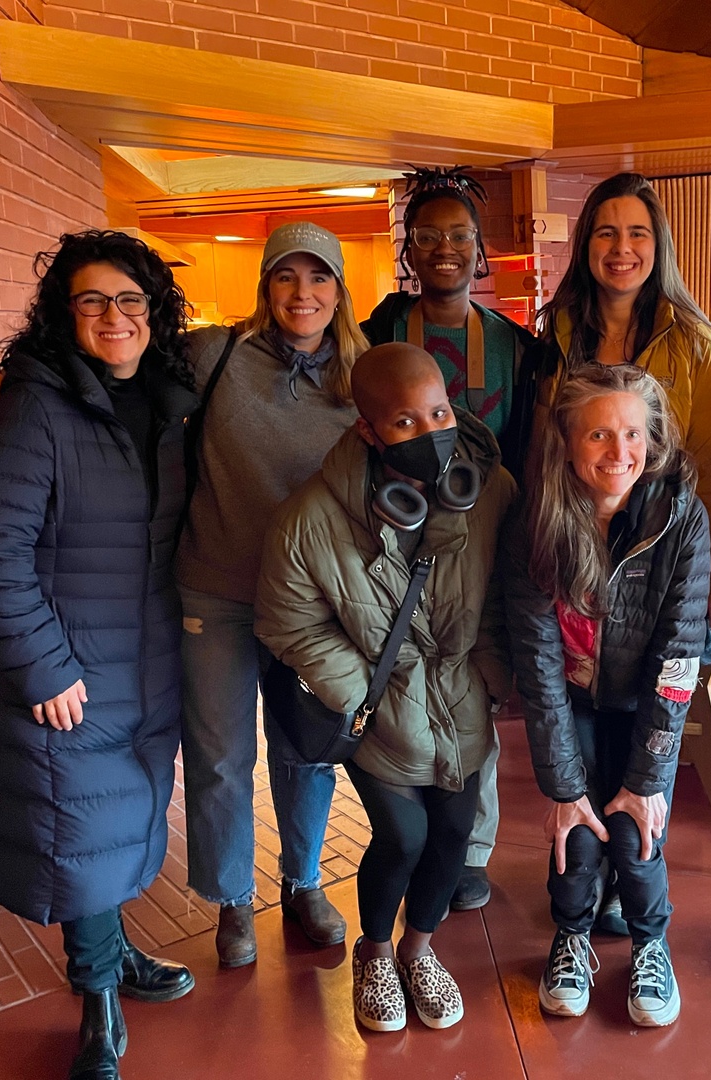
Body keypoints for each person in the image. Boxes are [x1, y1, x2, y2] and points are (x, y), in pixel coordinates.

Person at [0, 230, 198, 1080]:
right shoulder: (30, 409)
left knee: (116, 824)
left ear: (154, 312)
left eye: (130, 300)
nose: (113, 317)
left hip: (146, 661)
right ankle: (98, 999)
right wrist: (43, 667)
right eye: (92, 300)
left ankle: (115, 956)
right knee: (77, 829)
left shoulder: (165, 401)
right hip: (71, 674)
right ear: (65, 314)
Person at [256, 343, 517, 1033]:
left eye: (438, 412)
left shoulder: (491, 491)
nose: (430, 432)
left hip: (462, 703)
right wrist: (363, 697)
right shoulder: (308, 520)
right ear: (368, 430)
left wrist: (493, 672)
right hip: (383, 712)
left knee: (455, 832)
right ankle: (375, 953)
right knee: (402, 835)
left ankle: (419, 951)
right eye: (405, 421)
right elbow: (289, 626)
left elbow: (505, 593)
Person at [536, 170, 711, 935]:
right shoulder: (558, 332)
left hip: (667, 559)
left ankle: (630, 870)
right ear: (586, 243)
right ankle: (585, 878)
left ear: (660, 247)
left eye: (638, 234)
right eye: (606, 232)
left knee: (643, 717)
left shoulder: (696, 340)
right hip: (577, 551)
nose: (622, 249)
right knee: (582, 726)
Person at [177, 221, 369, 966]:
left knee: (306, 748)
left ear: (339, 290)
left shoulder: (361, 375)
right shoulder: (215, 356)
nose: (303, 292)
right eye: (287, 276)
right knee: (222, 755)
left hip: (310, 604)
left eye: (319, 277)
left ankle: (303, 882)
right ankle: (231, 901)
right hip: (217, 589)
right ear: (265, 284)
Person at [362, 165, 547, 913]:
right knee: (401, 692)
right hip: (392, 542)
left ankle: (468, 849)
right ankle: (404, 839)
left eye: (460, 236)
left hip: (483, 541)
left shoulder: (518, 348)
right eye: (428, 235)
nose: (445, 248)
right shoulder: (374, 333)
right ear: (409, 248)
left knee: (472, 687)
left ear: (482, 252)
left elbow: (531, 450)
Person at [503, 365, 710, 1028]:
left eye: (631, 433)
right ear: (567, 442)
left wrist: (649, 780)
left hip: (644, 698)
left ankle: (651, 943)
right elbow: (537, 666)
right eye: (598, 434)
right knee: (579, 827)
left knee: (635, 827)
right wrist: (563, 787)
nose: (618, 452)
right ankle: (571, 934)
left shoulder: (682, 516)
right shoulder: (535, 517)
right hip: (573, 694)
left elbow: (679, 657)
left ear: (652, 439)